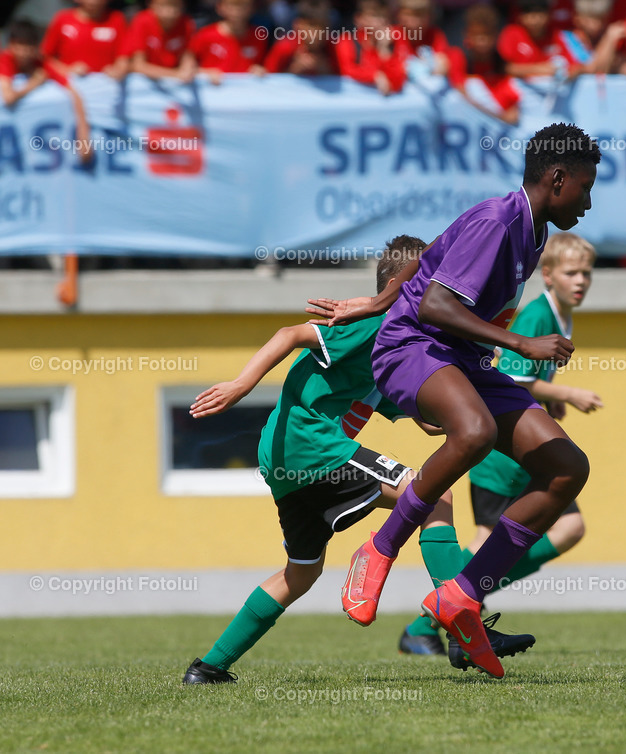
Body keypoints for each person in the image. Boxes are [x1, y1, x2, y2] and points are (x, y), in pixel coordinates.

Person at [306, 122, 601, 679]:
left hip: (463, 358)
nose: (588, 202)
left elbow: (429, 257)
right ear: (558, 179)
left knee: (567, 467)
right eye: (585, 188)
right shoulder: (497, 221)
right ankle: (380, 547)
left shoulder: (533, 229)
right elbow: (435, 305)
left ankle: (462, 595)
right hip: (411, 347)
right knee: (476, 431)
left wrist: (376, 298)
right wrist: (520, 343)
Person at [182, 236, 535, 684]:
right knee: (434, 495)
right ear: (402, 283)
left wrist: (474, 402)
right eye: (432, 279)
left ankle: (209, 667)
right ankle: (464, 631)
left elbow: (427, 421)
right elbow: (290, 334)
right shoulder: (376, 322)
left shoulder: (396, 346)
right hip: (313, 446)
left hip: (286, 460)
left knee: (300, 574)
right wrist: (240, 385)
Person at [398, 232, 602, 658]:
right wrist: (567, 394)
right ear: (548, 275)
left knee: (567, 528)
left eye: (586, 273)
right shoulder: (537, 316)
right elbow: (506, 376)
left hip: (523, 458)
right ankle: (432, 619)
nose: (581, 281)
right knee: (495, 539)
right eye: (571, 273)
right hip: (502, 458)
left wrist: (547, 401)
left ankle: (458, 604)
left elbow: (526, 383)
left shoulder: (560, 314)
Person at [1, 19, 94, 164]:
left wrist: (83, 137)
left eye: (28, 46)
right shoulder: (4, 60)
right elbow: (9, 98)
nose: (24, 52)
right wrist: (34, 83)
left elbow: (74, 93)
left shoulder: (41, 64)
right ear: (11, 45)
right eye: (20, 46)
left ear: (36, 47)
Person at [447, 3, 521, 125]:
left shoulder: (500, 62)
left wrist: (505, 116)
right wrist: (498, 117)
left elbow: (512, 111)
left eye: (487, 35)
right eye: (477, 35)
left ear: (495, 36)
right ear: (466, 35)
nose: (482, 41)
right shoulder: (458, 56)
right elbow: (460, 94)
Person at [182, 0, 268, 84]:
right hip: (212, 89)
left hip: (246, 90)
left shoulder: (258, 37)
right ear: (220, 7)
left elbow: (265, 67)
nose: (236, 11)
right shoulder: (205, 35)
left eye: (242, 6)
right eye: (231, 6)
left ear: (251, 9)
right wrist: (206, 73)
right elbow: (187, 69)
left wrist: (260, 70)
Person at [41, 0, 128, 79]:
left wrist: (118, 70)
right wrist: (67, 70)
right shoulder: (63, 19)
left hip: (105, 83)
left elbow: (123, 57)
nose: (93, 2)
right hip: (69, 84)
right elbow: (46, 57)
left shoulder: (116, 19)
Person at [336, 0, 405, 95]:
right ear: (358, 19)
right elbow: (347, 70)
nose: (381, 21)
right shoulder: (347, 40)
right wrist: (375, 76)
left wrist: (384, 50)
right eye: (374, 16)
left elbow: (397, 81)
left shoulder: (392, 41)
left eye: (383, 16)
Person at [120, 0, 196, 81]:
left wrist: (187, 70)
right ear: (152, 5)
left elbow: (188, 55)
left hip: (175, 77)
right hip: (147, 77)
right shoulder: (142, 20)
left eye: (174, 5)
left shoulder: (186, 23)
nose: (170, 11)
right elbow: (137, 65)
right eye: (164, 5)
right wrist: (175, 74)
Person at [264, 0, 338, 75]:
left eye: (323, 25)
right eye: (312, 25)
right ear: (297, 25)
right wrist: (293, 70)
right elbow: (268, 76)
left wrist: (326, 70)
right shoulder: (284, 46)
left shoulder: (334, 48)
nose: (318, 31)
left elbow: (342, 75)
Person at [497, 0, 564, 78]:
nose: (535, 21)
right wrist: (539, 69)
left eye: (540, 15)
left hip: (553, 81)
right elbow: (505, 68)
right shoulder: (511, 33)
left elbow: (571, 64)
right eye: (531, 16)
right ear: (521, 17)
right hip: (520, 81)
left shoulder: (557, 35)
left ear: (548, 16)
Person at [392, 0, 452, 80]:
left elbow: (442, 67)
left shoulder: (435, 35)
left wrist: (422, 68)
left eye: (418, 15)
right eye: (407, 14)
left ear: (429, 17)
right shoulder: (392, 34)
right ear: (398, 15)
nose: (412, 20)